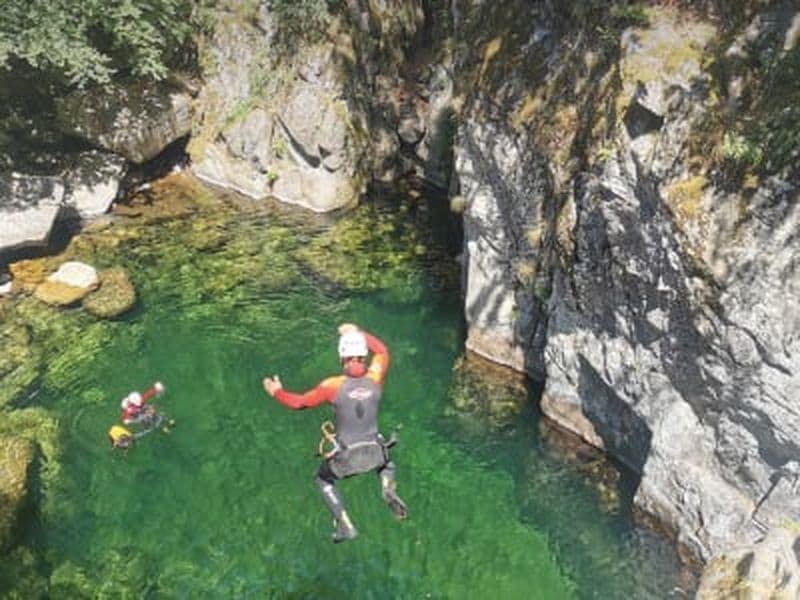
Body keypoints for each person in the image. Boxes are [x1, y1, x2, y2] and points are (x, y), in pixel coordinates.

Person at [263, 323, 407, 543]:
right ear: (363, 356)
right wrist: (357, 332)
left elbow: (299, 403)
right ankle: (387, 487)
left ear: (341, 358)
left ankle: (345, 525)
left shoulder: (332, 386)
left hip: (347, 459)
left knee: (323, 480)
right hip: (376, 452)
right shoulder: (375, 377)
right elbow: (382, 351)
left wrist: (277, 392)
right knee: (387, 463)